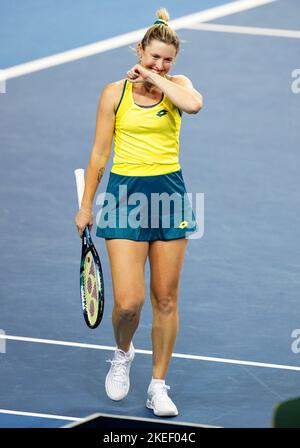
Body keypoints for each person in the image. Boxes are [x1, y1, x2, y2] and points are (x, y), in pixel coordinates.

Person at [75, 7, 203, 417]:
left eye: (167, 59)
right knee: (128, 303)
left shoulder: (177, 85)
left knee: (166, 297)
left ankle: (158, 386)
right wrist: (85, 205)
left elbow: (195, 104)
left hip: (169, 196)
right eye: (154, 57)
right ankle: (122, 352)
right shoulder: (113, 93)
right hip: (123, 197)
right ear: (139, 49)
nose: (161, 64)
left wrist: (153, 77)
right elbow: (99, 153)